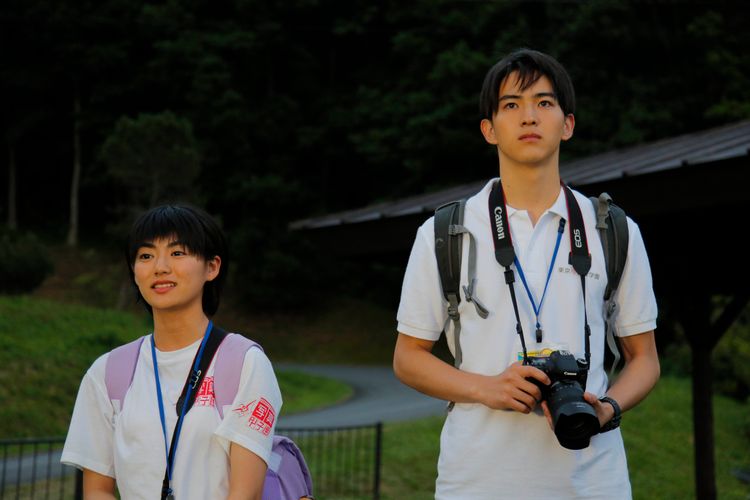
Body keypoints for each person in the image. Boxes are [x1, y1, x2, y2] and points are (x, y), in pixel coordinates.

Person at [393, 48, 660, 499]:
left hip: (593, 481)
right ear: (489, 130)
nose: (529, 117)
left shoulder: (613, 230)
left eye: (544, 102)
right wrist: (487, 388)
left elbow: (645, 358)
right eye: (511, 105)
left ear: (567, 124)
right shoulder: (446, 232)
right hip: (476, 482)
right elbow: (408, 357)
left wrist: (606, 407)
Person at [62, 205, 282, 499]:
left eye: (177, 253)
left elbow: (246, 493)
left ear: (212, 267)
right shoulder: (108, 372)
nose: (160, 267)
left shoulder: (244, 363)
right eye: (146, 256)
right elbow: (97, 491)